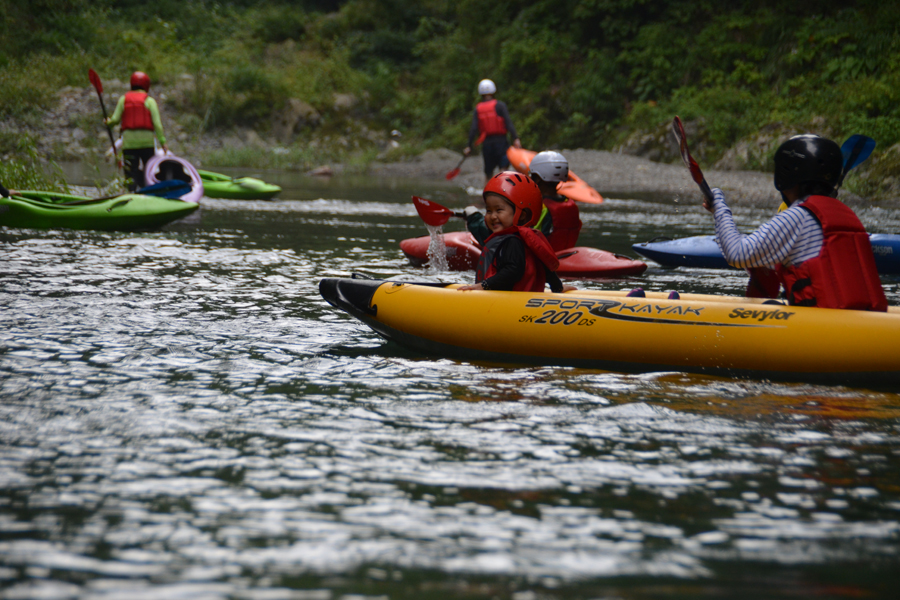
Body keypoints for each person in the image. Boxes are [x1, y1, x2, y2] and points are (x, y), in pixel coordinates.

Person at [705, 134, 887, 311]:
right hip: (862, 321)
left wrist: (719, 205)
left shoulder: (797, 217)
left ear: (787, 176)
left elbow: (737, 254)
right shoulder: (846, 214)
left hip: (821, 329)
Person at [458, 172, 569, 293]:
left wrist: (484, 285)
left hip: (508, 302)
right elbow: (545, 267)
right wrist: (557, 288)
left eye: (499, 210)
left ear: (522, 215)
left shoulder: (512, 241)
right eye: (489, 210)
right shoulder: (519, 239)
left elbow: (513, 271)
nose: (493, 216)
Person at [105, 71, 169, 192]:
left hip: (129, 144)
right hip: (147, 145)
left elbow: (114, 120)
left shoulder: (123, 100)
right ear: (146, 85)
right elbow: (157, 125)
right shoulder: (150, 101)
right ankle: (148, 193)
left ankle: (131, 193)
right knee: (148, 173)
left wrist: (107, 122)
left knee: (131, 174)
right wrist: (163, 142)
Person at [462, 79, 522, 185]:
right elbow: (508, 123)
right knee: (503, 168)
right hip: (501, 142)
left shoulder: (478, 108)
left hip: (487, 144)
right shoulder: (500, 105)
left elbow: (473, 129)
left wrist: (469, 145)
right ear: (494, 91)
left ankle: (486, 194)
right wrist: (515, 138)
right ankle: (503, 190)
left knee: (488, 172)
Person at [529, 150, 582, 251]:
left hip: (546, 259)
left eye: (532, 176)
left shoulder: (541, 206)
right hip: (566, 255)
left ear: (538, 179)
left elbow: (530, 235)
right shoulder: (570, 203)